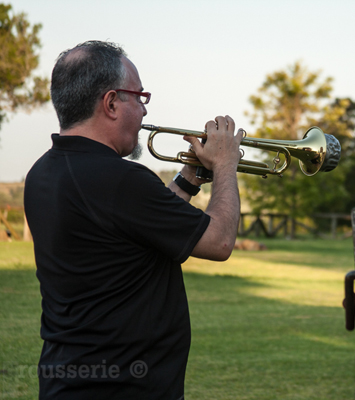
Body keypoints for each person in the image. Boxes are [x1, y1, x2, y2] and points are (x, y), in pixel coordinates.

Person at [23, 40, 243, 399]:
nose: (143, 110)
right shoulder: (121, 179)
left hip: (68, 379)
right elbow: (219, 242)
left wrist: (190, 177)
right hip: (125, 386)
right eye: (139, 97)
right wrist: (226, 164)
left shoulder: (43, 172)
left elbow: (136, 228)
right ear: (111, 103)